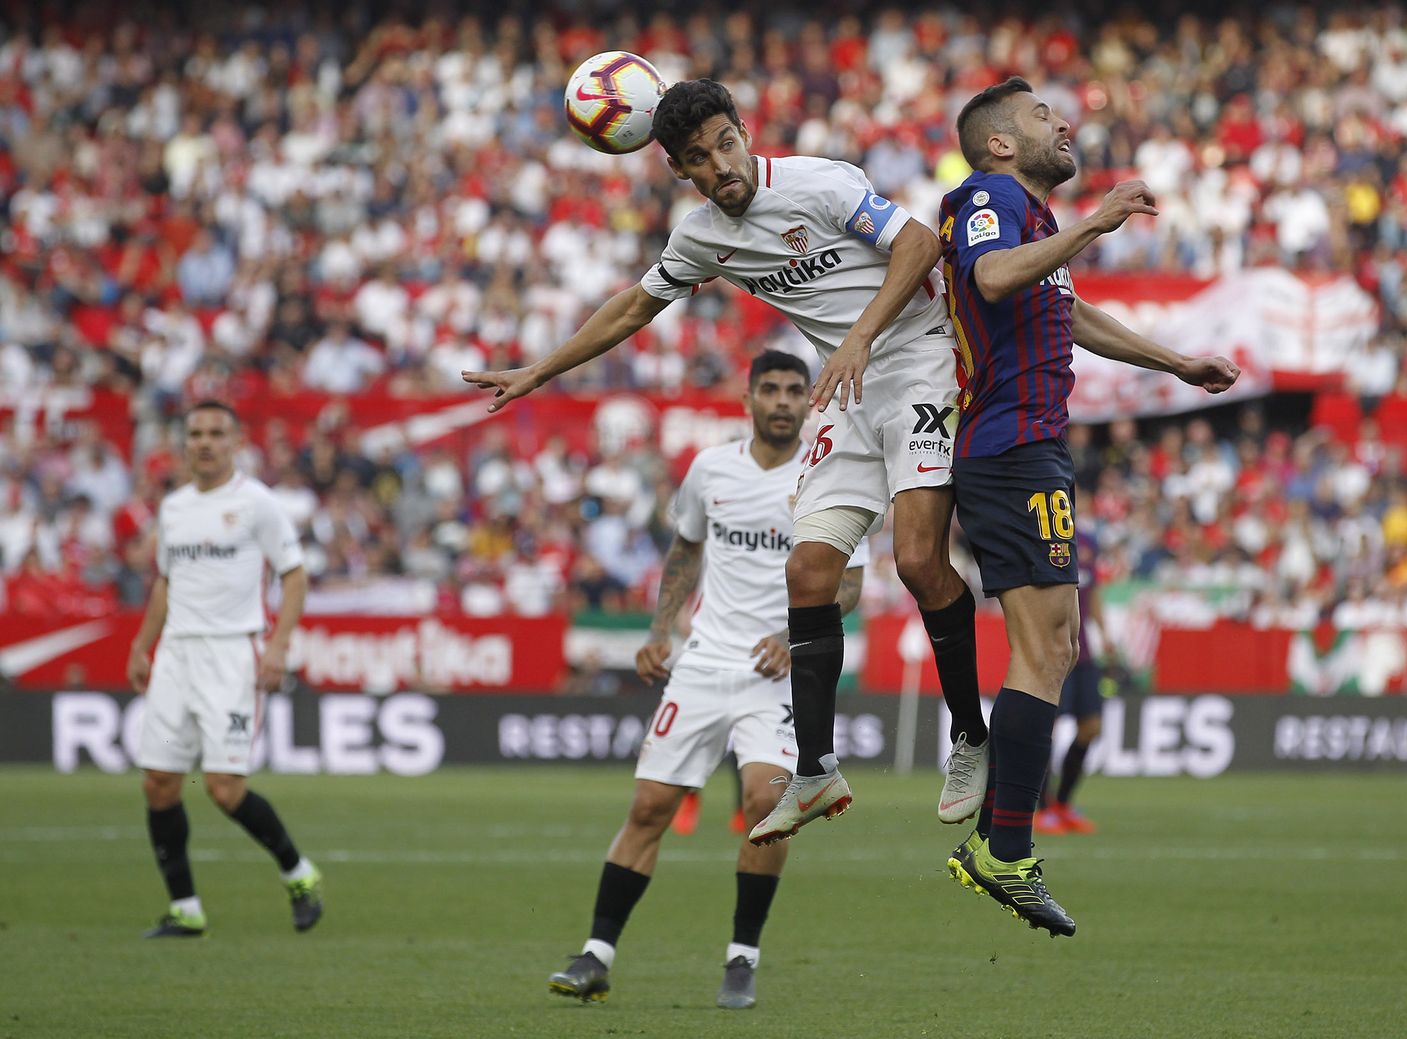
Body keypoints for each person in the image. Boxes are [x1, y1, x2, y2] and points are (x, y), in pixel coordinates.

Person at [464, 79, 990, 845]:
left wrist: (861, 336)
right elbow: (632, 307)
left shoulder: (817, 181)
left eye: (723, 144)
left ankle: (972, 738)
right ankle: (815, 769)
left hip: (918, 360)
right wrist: (537, 370)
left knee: (916, 559)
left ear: (744, 132)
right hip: (848, 389)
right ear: (680, 171)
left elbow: (919, 243)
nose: (718, 167)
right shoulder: (703, 236)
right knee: (808, 572)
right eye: (696, 160)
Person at [937, 78, 1240, 935]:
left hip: (1029, 450)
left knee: (1055, 645)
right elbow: (992, 278)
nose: (1062, 121)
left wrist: (1176, 363)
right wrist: (1098, 220)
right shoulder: (991, 198)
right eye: (1040, 116)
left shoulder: (1034, 223)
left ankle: (1001, 838)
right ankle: (1005, 849)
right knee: (1044, 649)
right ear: (998, 142)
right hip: (1009, 449)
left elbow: (1068, 310)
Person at [547, 352, 867, 1009]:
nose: (782, 401)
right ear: (748, 397)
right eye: (770, 389)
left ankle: (741, 958)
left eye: (793, 391)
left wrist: (792, 636)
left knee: (765, 803)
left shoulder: (829, 476)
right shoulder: (710, 468)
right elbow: (686, 547)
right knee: (647, 809)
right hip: (702, 663)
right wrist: (660, 629)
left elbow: (853, 580)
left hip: (778, 674)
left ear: (810, 400)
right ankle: (596, 954)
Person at [125, 400, 323, 938]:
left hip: (233, 653)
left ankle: (298, 872)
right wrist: (143, 645)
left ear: (235, 441)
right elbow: (166, 581)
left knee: (224, 789)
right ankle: (185, 908)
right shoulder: (174, 508)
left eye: (216, 432)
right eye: (196, 433)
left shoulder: (256, 503)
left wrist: (278, 647)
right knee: (159, 784)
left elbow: (295, 575)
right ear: (184, 442)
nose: (205, 442)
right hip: (177, 653)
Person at [1036, 525, 1111, 836]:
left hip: (1084, 652)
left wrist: (1104, 633)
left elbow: (1091, 592)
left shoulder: (1088, 539)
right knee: (1043, 729)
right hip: (1052, 650)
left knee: (1091, 726)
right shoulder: (1041, 531)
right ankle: (1038, 808)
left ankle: (1062, 803)